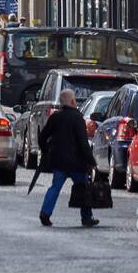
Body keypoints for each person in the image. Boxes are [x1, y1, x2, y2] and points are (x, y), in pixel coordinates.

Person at [37, 89, 100, 228]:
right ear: (72, 101)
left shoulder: (55, 117)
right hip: (77, 163)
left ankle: (45, 213)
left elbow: (42, 137)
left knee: (55, 188)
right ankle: (86, 218)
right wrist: (91, 160)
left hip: (59, 161)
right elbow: (83, 143)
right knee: (83, 188)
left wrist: (46, 150)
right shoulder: (78, 118)